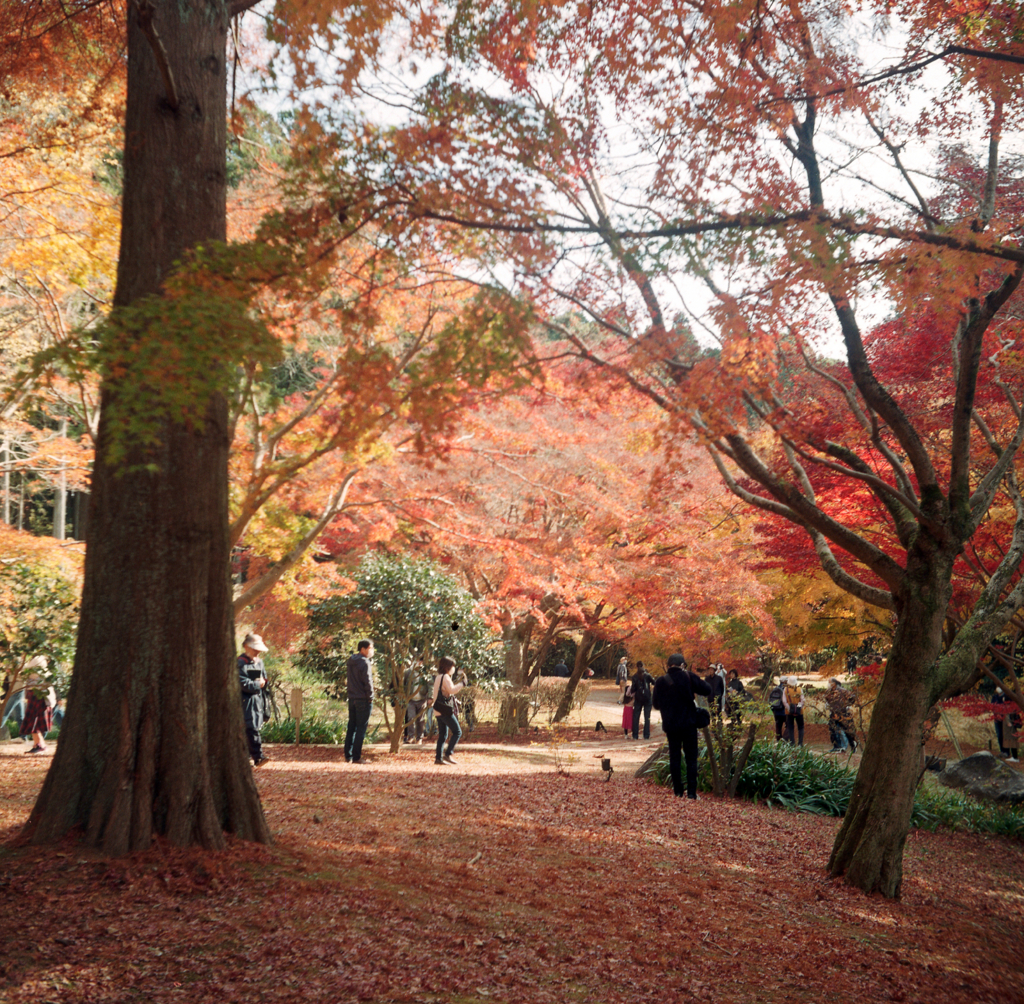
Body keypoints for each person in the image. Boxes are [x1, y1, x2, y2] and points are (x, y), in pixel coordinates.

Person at [652, 653, 713, 799]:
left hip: (671, 725)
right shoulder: (688, 677)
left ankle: (678, 792)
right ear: (682, 665)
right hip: (688, 724)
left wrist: (668, 706)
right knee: (691, 758)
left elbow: (655, 704)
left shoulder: (660, 681)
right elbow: (707, 689)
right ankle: (691, 793)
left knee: (674, 757)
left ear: (668, 665)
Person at [238, 633, 270, 766]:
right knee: (251, 728)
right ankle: (258, 757)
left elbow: (263, 679)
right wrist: (258, 684)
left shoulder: (259, 662)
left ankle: (248, 757)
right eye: (255, 649)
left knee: (253, 727)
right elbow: (243, 683)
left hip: (258, 700)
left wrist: (263, 683)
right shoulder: (241, 663)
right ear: (246, 646)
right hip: (245, 701)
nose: (257, 652)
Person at [345, 639, 375, 764]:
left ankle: (348, 755)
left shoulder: (351, 661)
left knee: (351, 727)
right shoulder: (365, 663)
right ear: (363, 649)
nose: (371, 650)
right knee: (361, 728)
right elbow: (368, 681)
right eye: (370, 648)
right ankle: (357, 757)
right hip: (363, 699)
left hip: (352, 698)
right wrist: (371, 696)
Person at [432, 656, 465, 765]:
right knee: (457, 731)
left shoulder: (438, 677)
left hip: (437, 708)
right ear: (447, 667)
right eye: (452, 666)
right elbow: (452, 690)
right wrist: (462, 684)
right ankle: (448, 754)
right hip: (444, 710)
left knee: (442, 735)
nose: (453, 668)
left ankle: (438, 758)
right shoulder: (445, 677)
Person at [21, 657, 56, 754]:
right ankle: (39, 744)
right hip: (36, 697)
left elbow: (32, 679)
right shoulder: (38, 667)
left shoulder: (40, 667)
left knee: (34, 723)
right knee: (33, 723)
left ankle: (39, 745)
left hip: (39, 698)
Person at [824, 677, 857, 753]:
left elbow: (852, 697)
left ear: (834, 683)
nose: (828, 684)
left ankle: (853, 746)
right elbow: (826, 700)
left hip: (843, 714)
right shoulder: (828, 692)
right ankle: (837, 747)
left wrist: (847, 705)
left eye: (829, 682)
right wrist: (828, 706)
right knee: (833, 730)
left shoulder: (842, 691)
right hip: (833, 714)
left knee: (847, 730)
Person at [403, 661, 428, 744]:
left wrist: (430, 697)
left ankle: (419, 738)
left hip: (422, 699)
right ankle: (411, 737)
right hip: (411, 699)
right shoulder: (408, 672)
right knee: (411, 718)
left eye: (421, 661)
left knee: (421, 719)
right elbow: (403, 683)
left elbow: (430, 684)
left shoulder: (426, 672)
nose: (419, 663)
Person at [631, 662, 655, 739]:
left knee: (636, 717)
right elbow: (654, 682)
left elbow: (633, 689)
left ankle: (635, 735)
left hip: (638, 698)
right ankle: (646, 735)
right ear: (643, 666)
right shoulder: (647, 675)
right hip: (647, 698)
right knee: (647, 717)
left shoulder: (634, 676)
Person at [783, 676, 805, 746]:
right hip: (799, 712)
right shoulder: (799, 689)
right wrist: (798, 708)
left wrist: (790, 709)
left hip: (789, 712)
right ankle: (800, 743)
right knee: (800, 727)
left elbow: (784, 701)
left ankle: (792, 743)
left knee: (790, 728)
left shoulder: (785, 690)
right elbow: (802, 700)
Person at [768, 676, 786, 741]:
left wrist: (773, 710)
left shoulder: (775, 689)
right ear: (785, 681)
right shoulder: (786, 689)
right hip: (784, 711)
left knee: (778, 726)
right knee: (789, 725)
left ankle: (778, 740)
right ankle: (785, 739)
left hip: (776, 711)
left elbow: (770, 700)